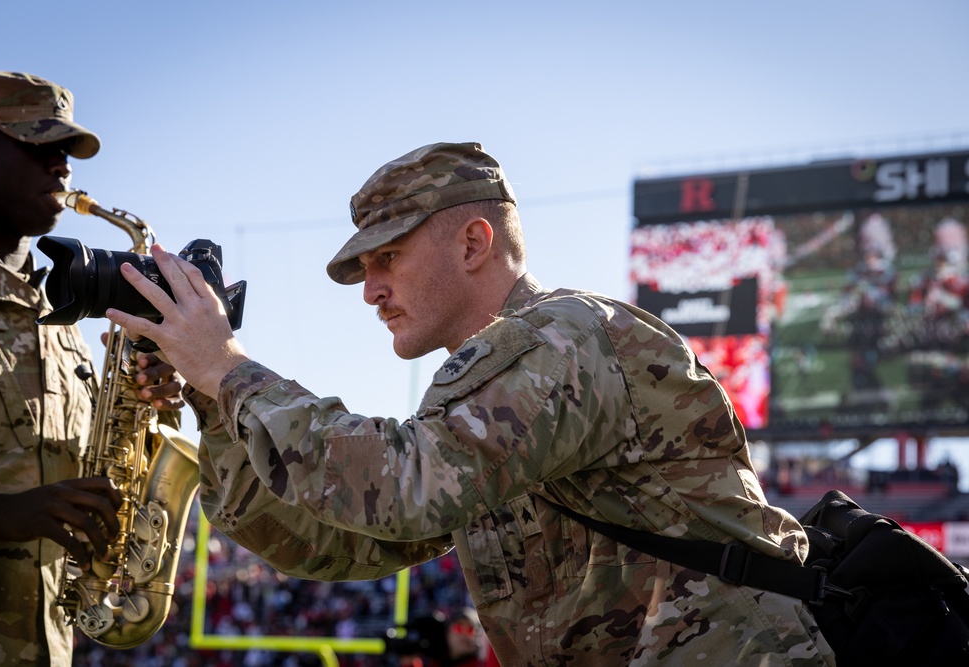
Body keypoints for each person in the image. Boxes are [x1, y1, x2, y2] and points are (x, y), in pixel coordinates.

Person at [107, 142, 837, 665]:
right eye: (363, 268)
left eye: (386, 256)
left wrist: (228, 368)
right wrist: (209, 398)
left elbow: (404, 486)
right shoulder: (486, 383)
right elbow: (337, 541)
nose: (370, 289)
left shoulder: (567, 337)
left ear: (473, 242)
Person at [0, 71, 184, 666]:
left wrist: (145, 408)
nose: (62, 168)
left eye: (66, 153)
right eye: (40, 145)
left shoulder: (58, 315)